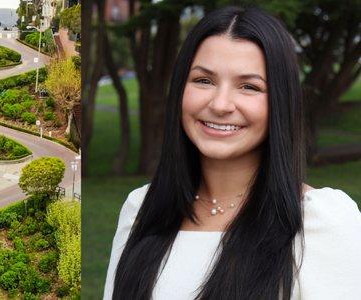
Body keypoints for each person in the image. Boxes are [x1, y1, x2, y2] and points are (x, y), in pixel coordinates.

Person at [103, 6, 361, 300]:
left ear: (280, 102)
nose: (221, 104)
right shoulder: (140, 210)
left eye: (249, 86)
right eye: (204, 80)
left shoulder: (320, 221)